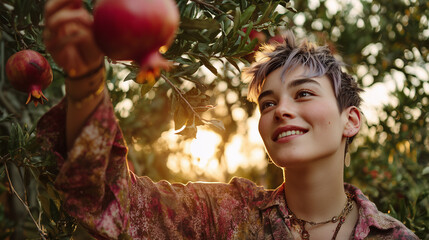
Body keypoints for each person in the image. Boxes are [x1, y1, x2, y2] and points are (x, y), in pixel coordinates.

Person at [38, 0, 419, 239]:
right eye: (267, 103)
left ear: (351, 119)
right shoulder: (220, 217)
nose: (280, 110)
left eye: (303, 93)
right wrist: (86, 79)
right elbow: (111, 201)